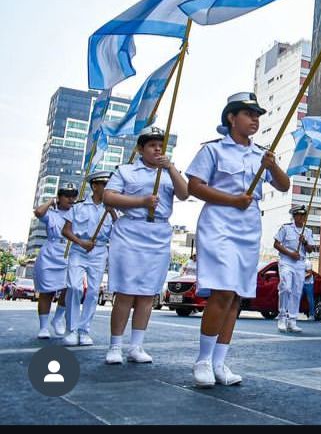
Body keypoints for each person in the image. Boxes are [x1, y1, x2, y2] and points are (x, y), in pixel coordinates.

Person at [186, 93, 290, 387]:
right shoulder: (213, 150)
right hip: (219, 223)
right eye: (248, 114)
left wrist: (272, 166)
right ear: (231, 117)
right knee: (221, 291)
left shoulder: (261, 154)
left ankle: (220, 363)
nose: (255, 119)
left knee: (235, 297)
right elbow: (195, 186)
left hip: (248, 227)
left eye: (257, 115)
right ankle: (203, 360)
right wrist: (232, 200)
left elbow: (284, 185)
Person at [103, 126, 189, 365]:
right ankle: (115, 345)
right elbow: (109, 197)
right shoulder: (126, 170)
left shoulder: (170, 172)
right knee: (126, 292)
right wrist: (141, 201)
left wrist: (170, 167)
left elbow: (184, 193)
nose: (157, 149)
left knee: (147, 293)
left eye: (160, 145)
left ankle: (136, 346)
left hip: (158, 232)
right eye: (152, 145)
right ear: (140, 148)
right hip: (131, 231)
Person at [61, 170, 116, 346]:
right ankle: (72, 329)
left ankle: (84, 330)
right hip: (79, 249)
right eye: (104, 185)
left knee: (93, 292)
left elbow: (120, 230)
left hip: (99, 251)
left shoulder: (111, 209)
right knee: (74, 287)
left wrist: (112, 212)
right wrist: (81, 242)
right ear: (94, 186)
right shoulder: (78, 207)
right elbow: (66, 231)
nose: (108, 188)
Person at [32, 182, 77, 339]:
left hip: (69, 252)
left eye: (73, 197)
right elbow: (38, 212)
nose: (71, 200)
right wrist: (51, 201)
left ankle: (58, 318)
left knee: (70, 288)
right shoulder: (51, 213)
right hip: (51, 253)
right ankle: (43, 327)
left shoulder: (77, 213)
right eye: (66, 196)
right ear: (59, 197)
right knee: (47, 292)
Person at [273, 205, 316, 333]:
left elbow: (310, 250)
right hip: (287, 261)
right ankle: (282, 317)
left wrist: (305, 242)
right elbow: (276, 244)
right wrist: (290, 253)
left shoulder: (307, 231)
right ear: (294, 216)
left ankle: (292, 320)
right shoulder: (286, 228)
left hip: (300, 263)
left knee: (297, 291)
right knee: (286, 287)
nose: (302, 217)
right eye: (299, 215)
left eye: (304, 215)